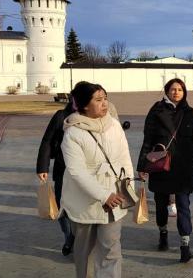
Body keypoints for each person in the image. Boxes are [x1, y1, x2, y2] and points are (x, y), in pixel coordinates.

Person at [60, 81, 135, 278]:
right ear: (85, 105)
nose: (105, 103)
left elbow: (124, 158)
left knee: (111, 249)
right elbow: (77, 171)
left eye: (105, 99)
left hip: (115, 198)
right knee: (85, 251)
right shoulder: (73, 133)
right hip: (84, 202)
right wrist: (103, 195)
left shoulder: (114, 125)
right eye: (98, 100)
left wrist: (128, 184)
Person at [137, 78, 193, 263]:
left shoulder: (189, 112)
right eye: (173, 89)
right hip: (161, 164)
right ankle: (163, 233)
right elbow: (147, 139)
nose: (176, 92)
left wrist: (191, 155)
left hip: (183, 165)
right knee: (161, 202)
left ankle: (185, 245)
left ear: (184, 92)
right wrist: (142, 165)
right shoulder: (156, 111)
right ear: (166, 91)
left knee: (183, 205)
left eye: (180, 89)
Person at [36, 101, 75, 256]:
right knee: (61, 206)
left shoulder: (94, 117)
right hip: (62, 169)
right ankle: (69, 237)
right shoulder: (61, 116)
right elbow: (47, 140)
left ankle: (79, 239)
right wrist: (42, 167)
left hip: (87, 173)